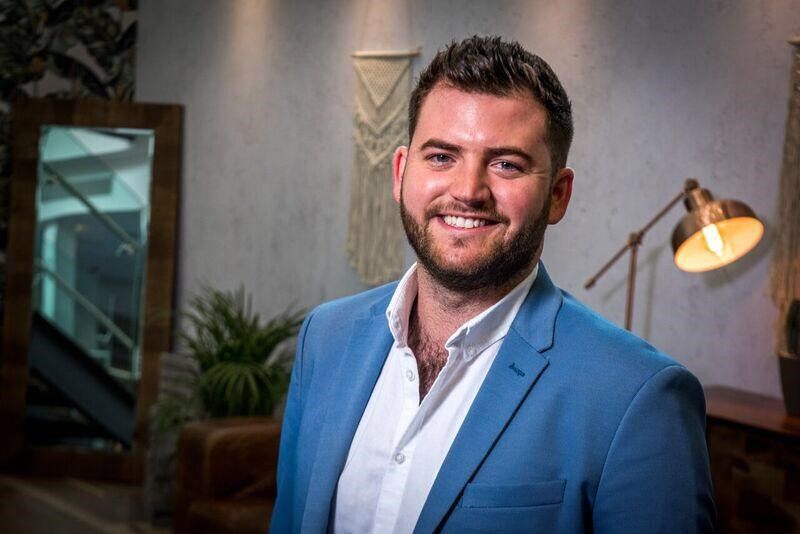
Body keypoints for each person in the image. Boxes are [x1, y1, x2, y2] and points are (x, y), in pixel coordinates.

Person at [271, 35, 714, 533]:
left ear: (558, 195)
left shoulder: (638, 398)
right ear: (400, 173)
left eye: (506, 164)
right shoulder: (324, 338)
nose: (467, 191)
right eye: (441, 156)